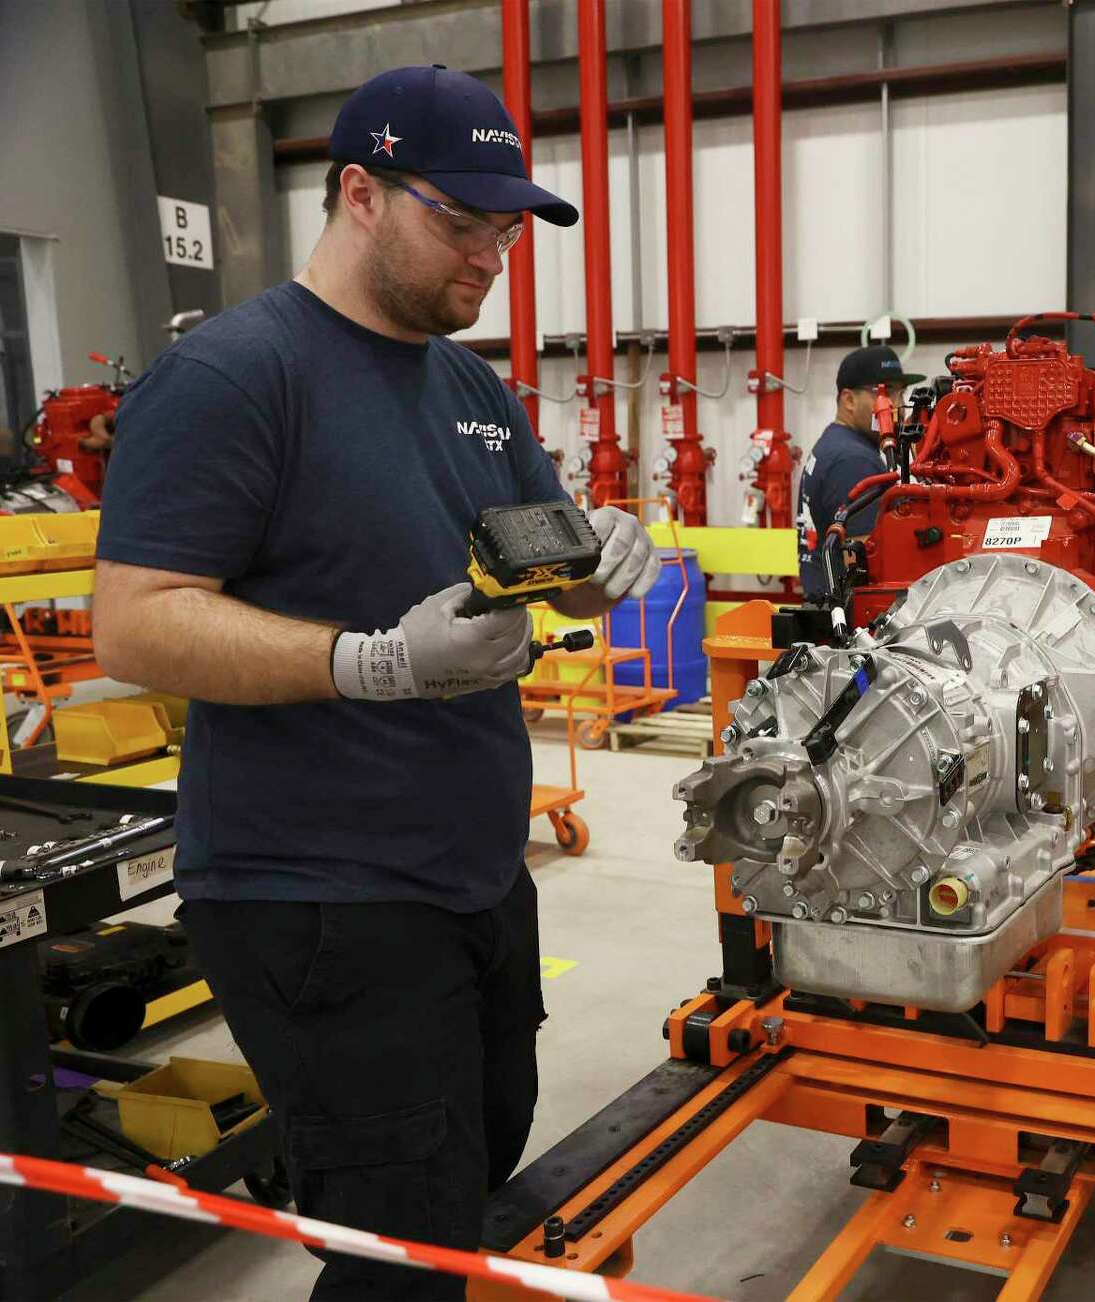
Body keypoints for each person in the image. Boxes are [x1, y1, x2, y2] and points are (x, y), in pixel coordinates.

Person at [91, 66, 658, 1300]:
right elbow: (134, 626)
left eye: (507, 232)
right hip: (321, 898)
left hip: (468, 877)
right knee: (399, 1247)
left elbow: (545, 569)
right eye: (462, 223)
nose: (491, 261)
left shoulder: (472, 388)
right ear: (358, 191)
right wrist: (373, 663)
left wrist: (601, 567)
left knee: (473, 1167)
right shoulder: (241, 376)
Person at [795, 343, 923, 598]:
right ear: (849, 400)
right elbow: (865, 563)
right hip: (846, 619)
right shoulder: (853, 460)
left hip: (822, 604)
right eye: (887, 393)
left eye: (901, 393)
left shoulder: (834, 443)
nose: (897, 405)